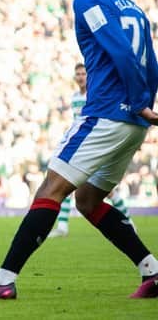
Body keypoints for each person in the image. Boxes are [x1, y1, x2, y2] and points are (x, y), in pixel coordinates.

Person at [0, 0, 158, 300]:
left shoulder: (88, 0)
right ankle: (152, 271)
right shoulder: (133, 6)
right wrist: (146, 106)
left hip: (108, 113)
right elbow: (151, 60)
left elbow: (118, 48)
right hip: (132, 122)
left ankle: (3, 281)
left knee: (50, 189)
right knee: (87, 200)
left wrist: (137, 101)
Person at [49, 63, 134, 238]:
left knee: (104, 191)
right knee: (67, 183)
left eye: (83, 73)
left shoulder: (95, 94)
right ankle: (63, 225)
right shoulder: (74, 98)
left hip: (96, 145)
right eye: (78, 74)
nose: (80, 77)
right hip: (82, 146)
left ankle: (128, 220)